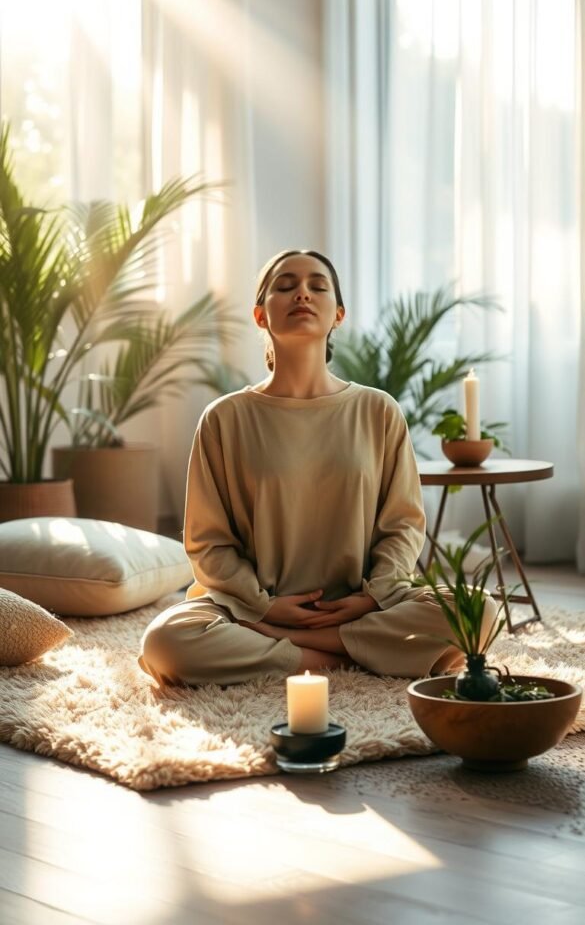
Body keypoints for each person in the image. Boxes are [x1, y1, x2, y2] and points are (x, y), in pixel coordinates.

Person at [138, 249, 497, 687]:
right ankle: (348, 655)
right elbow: (208, 542)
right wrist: (264, 607)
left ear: (338, 314)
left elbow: (403, 525)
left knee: (479, 612)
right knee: (165, 642)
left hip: (365, 603)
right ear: (260, 315)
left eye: (317, 286)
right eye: (285, 286)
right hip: (251, 609)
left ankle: (302, 647)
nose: (302, 294)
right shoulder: (224, 418)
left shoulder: (377, 410)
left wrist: (371, 597)